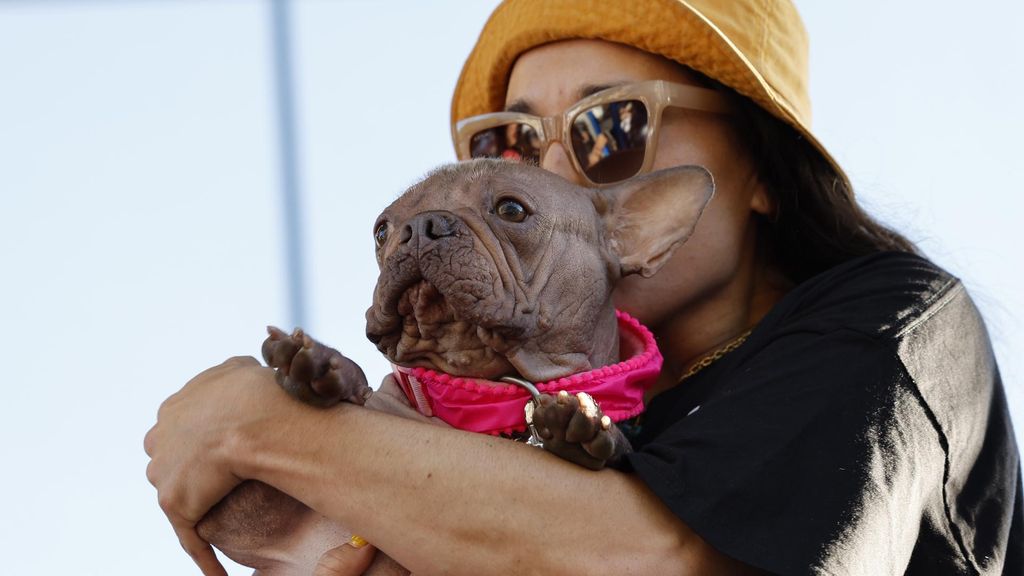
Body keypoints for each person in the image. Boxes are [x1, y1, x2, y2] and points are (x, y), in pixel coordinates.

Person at [144, 1, 1023, 574]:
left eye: (609, 127)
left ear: (761, 172)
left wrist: (261, 429)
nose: (557, 169)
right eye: (513, 149)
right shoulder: (485, 393)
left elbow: (659, 563)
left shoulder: (889, 326)